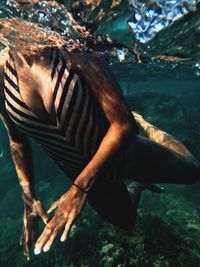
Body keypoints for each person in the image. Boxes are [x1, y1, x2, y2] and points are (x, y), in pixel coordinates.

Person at [0, 18, 199, 260]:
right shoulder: (1, 72)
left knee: (193, 170)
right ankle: (138, 185)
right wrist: (29, 199)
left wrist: (79, 188)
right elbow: (17, 140)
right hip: (83, 175)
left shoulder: (71, 48)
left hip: (123, 154)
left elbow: (123, 124)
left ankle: (145, 123)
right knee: (127, 223)